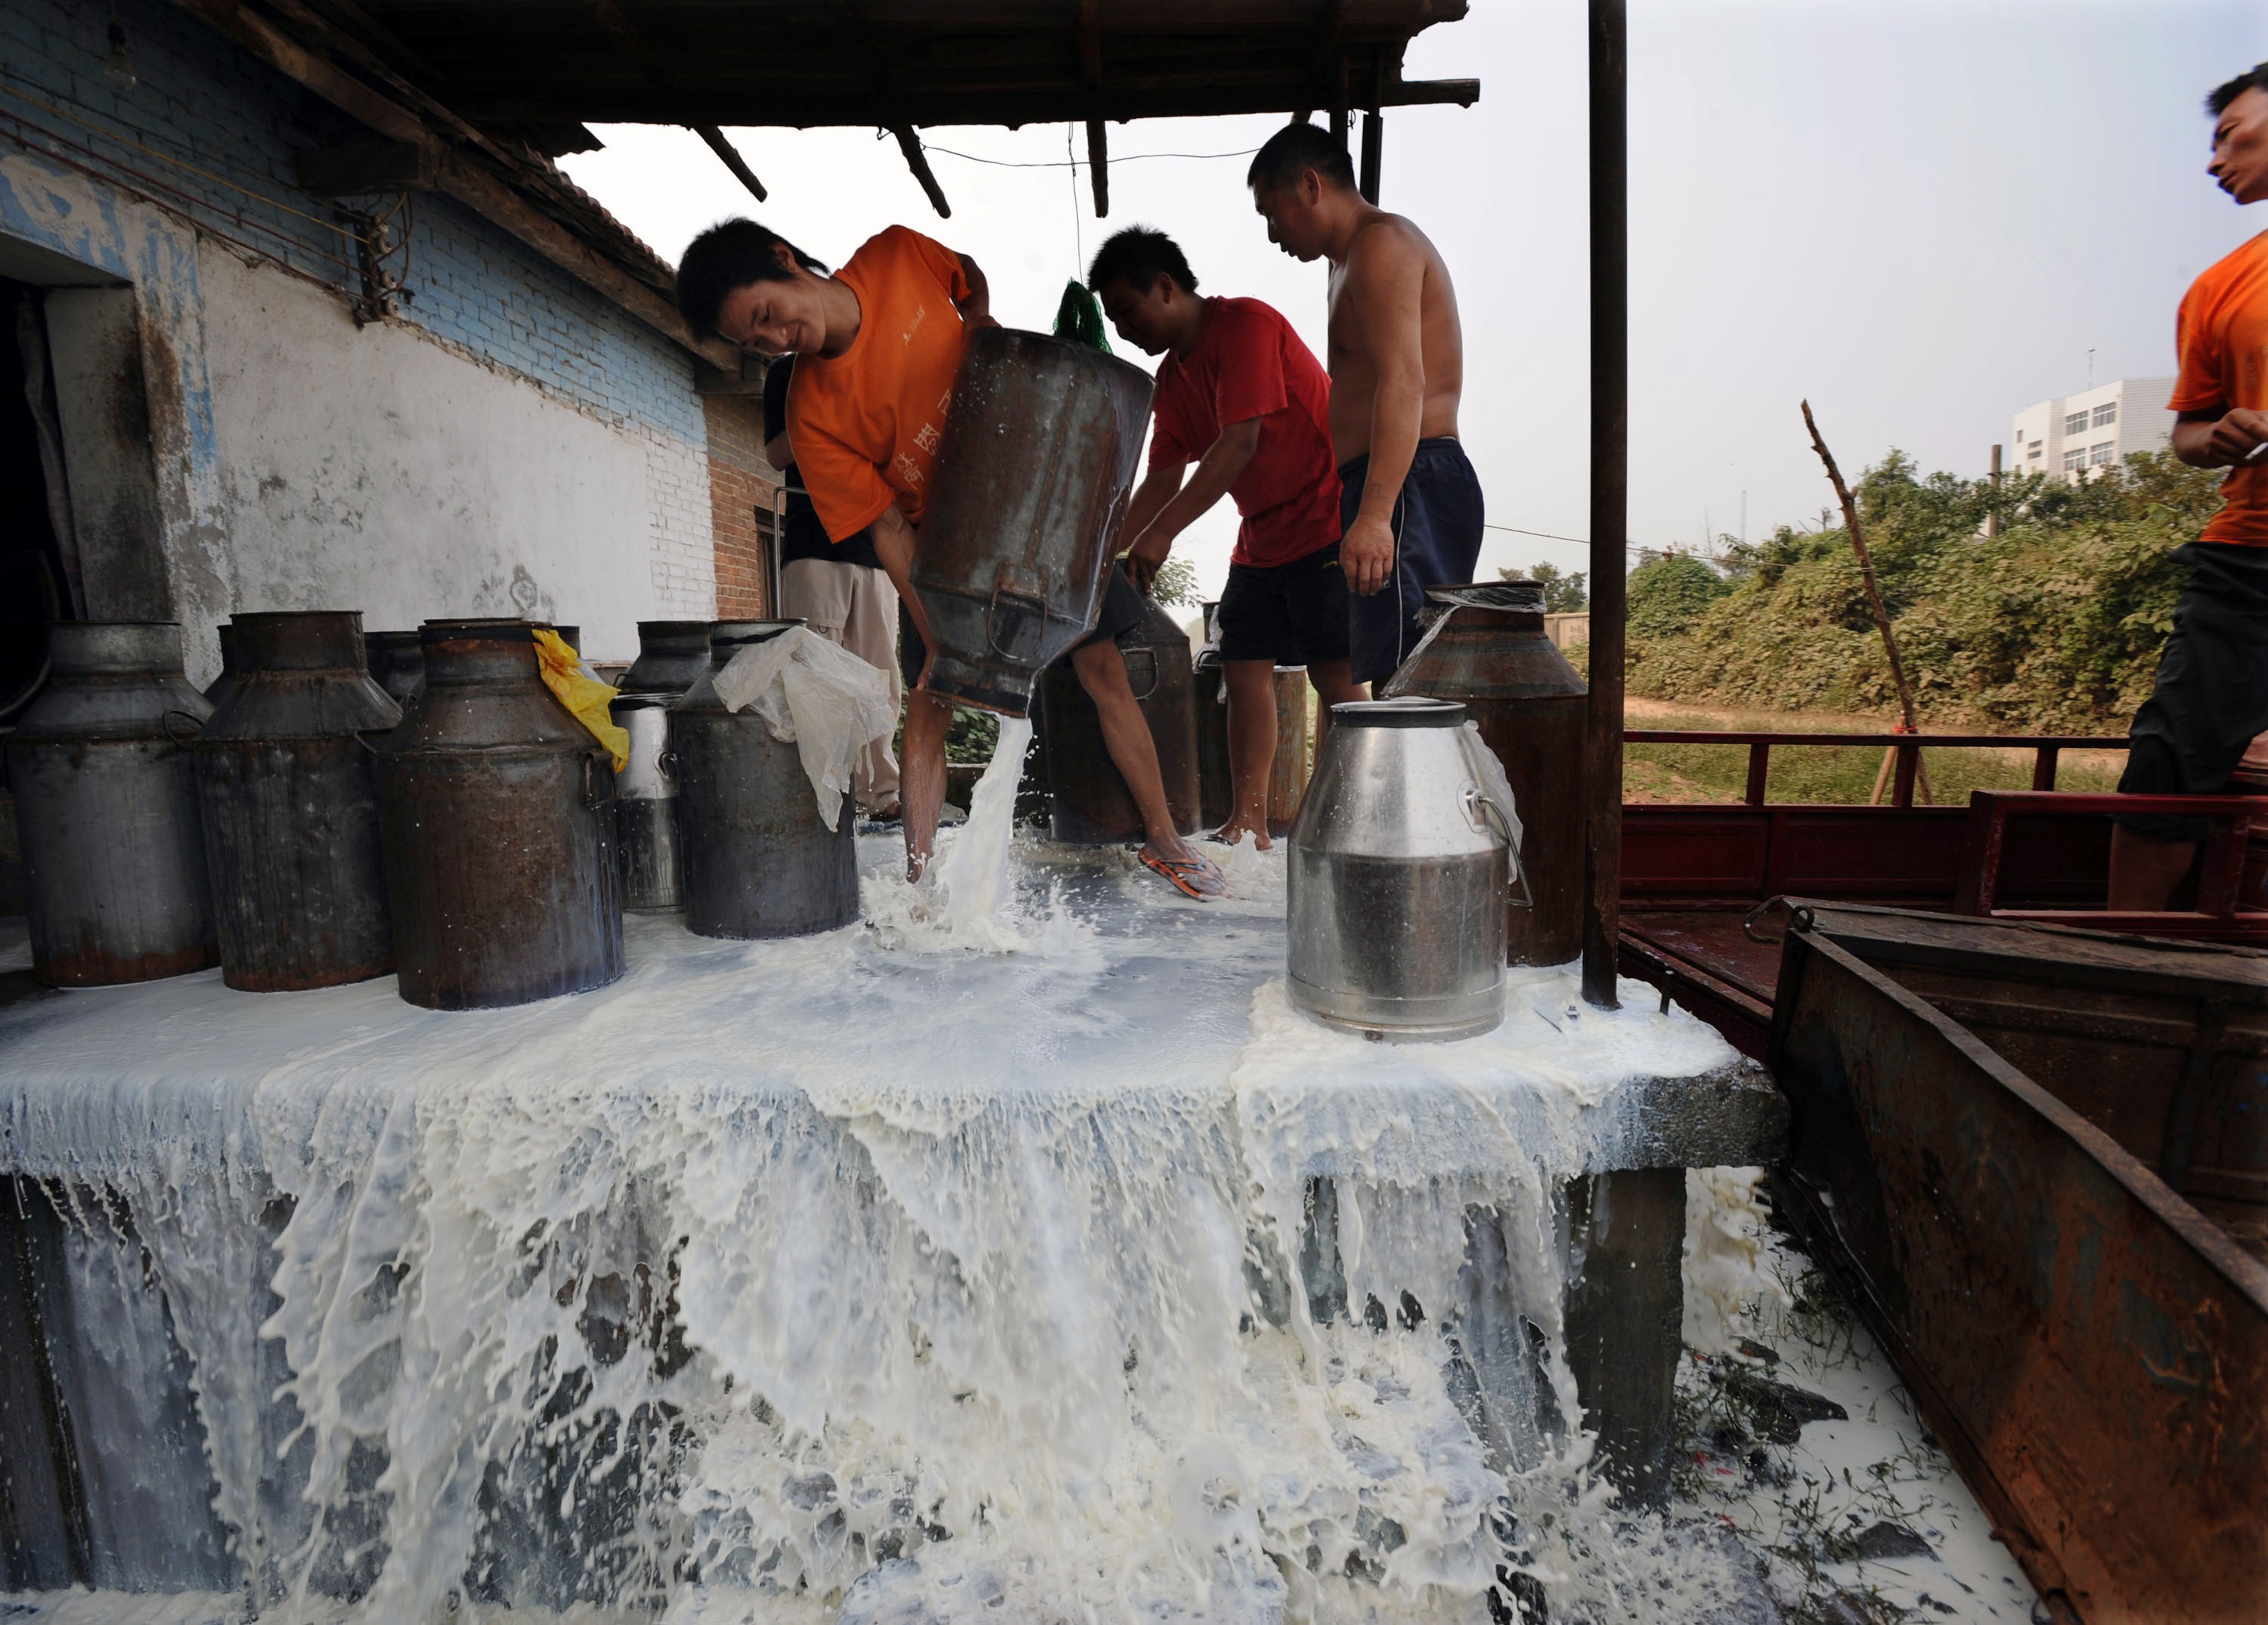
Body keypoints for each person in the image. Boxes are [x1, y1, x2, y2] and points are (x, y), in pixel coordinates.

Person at [675, 218, 1225, 898]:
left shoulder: (896, 256)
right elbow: (888, 534)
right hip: (946, 550)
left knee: (1103, 665)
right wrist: (940, 635)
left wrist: (980, 320)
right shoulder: (811, 416)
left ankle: (1165, 839)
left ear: (784, 261)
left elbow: (967, 276)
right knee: (931, 696)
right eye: (750, 341)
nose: (772, 339)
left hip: (1035, 497)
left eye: (765, 315)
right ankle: (920, 884)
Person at [1089, 227, 1364, 848]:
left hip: (1325, 517)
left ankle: (1353, 815)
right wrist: (1102, 548)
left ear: (1165, 287)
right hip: (1261, 535)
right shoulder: (1170, 382)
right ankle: (1251, 820)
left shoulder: (1245, 326)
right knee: (1242, 670)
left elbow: (1239, 444)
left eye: (1126, 311)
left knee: (1335, 672)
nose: (1123, 329)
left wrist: (1160, 536)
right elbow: (1161, 477)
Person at [2107, 63, 2268, 912]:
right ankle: (2121, 964)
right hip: (2249, 562)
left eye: (2231, 133)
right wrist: (2224, 433)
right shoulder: (2219, 289)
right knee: (2168, 760)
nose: (2214, 161)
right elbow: (2186, 436)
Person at [1247, 122, 1482, 689]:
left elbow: (1404, 381)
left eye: (1271, 212)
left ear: (1309, 186)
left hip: (1411, 483)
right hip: (1388, 483)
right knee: (1392, 677)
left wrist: (1377, 515)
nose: (1273, 233)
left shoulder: (1381, 245)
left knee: (1414, 683)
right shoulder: (1343, 262)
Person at [764, 350, 900, 820]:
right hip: (814, 544)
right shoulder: (788, 371)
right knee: (816, 675)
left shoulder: (872, 370)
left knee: (881, 675)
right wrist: (827, 420)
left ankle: (882, 795)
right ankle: (822, 794)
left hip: (879, 547)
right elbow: (776, 453)